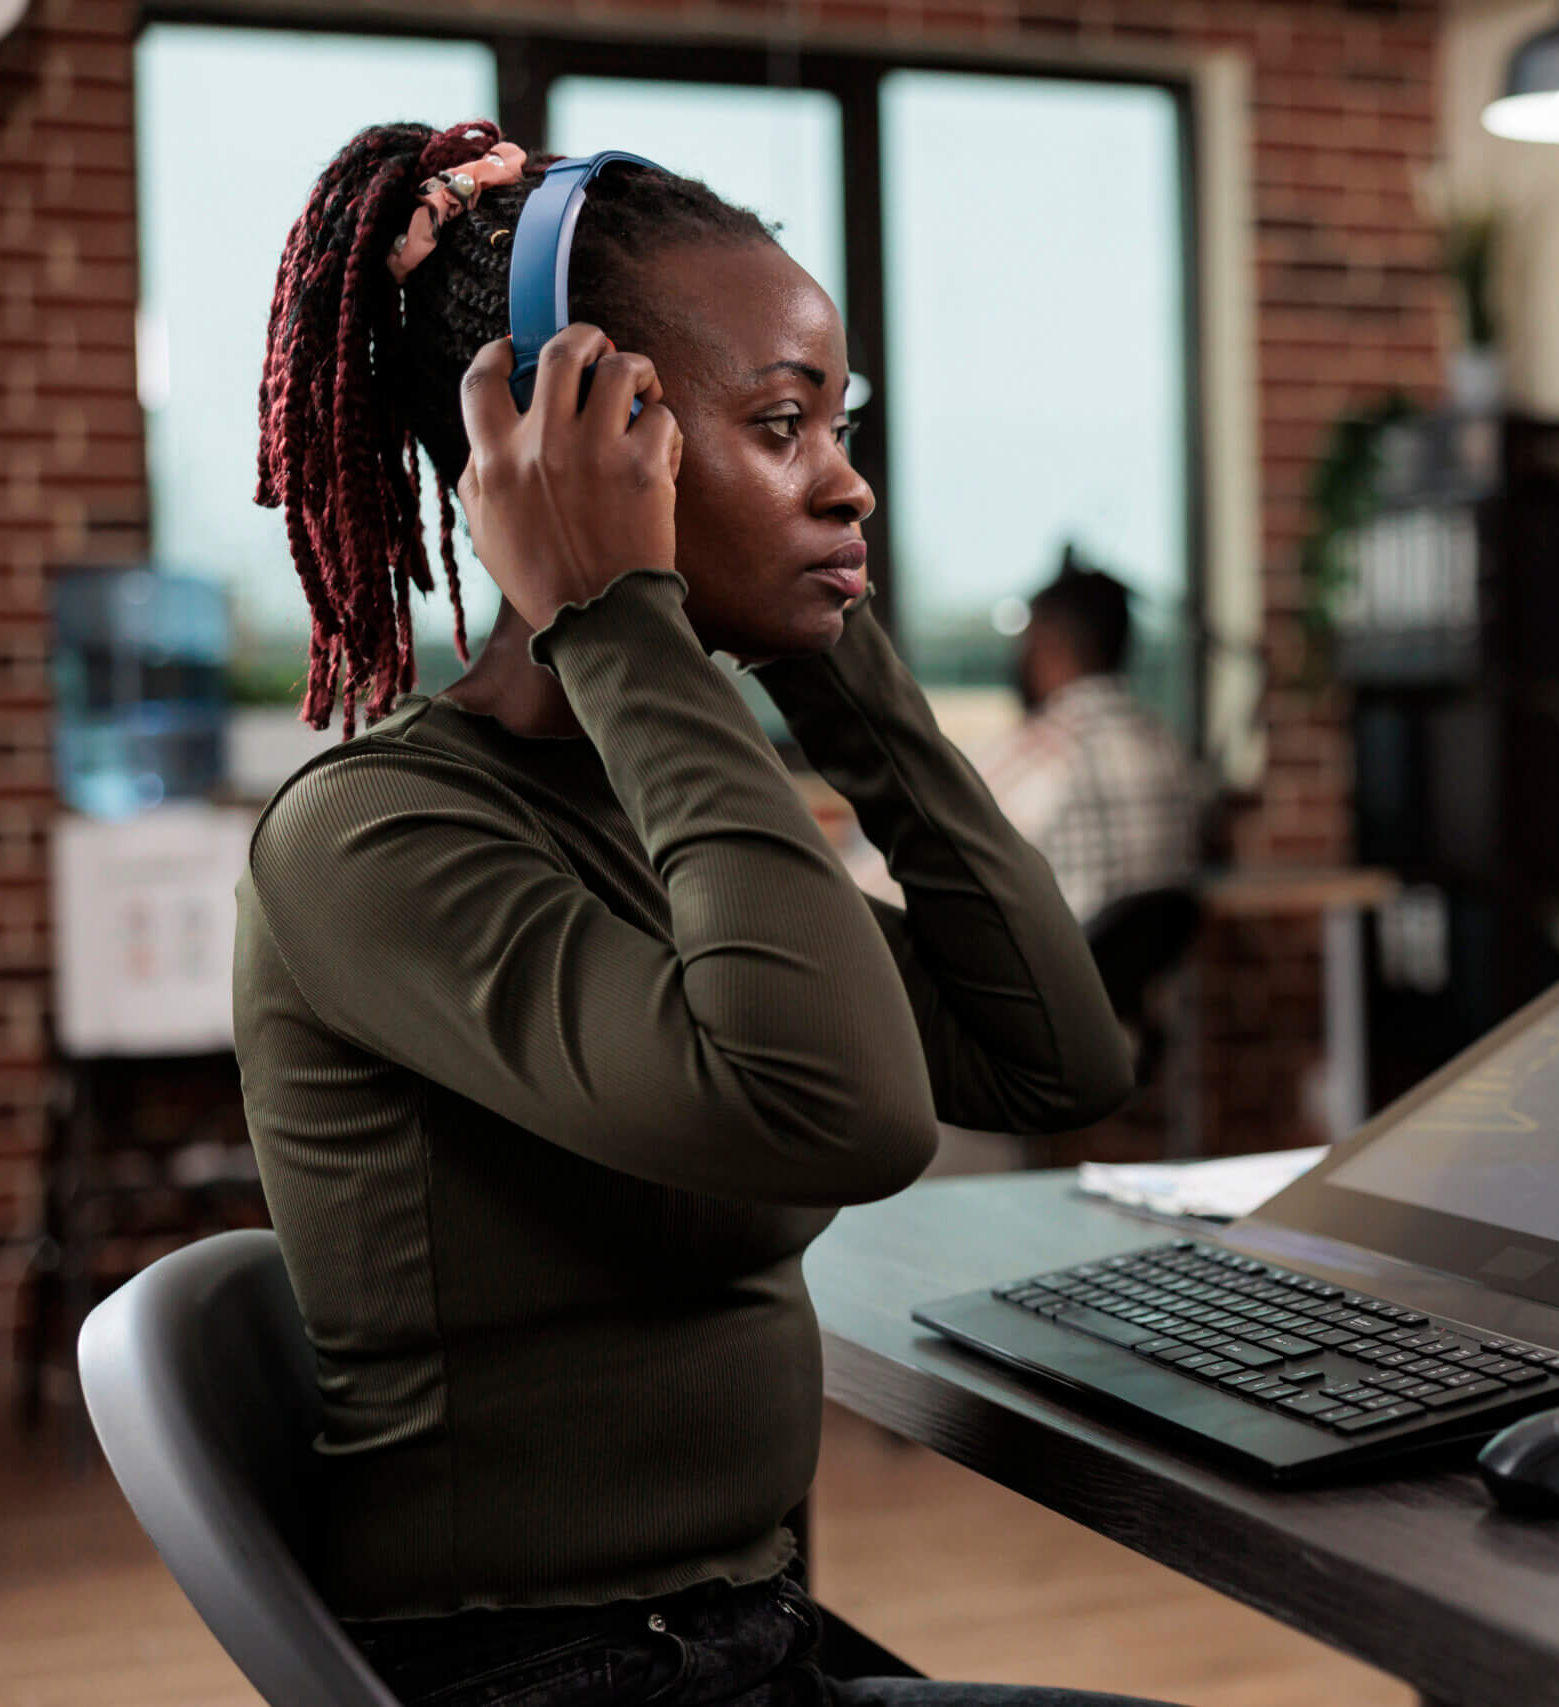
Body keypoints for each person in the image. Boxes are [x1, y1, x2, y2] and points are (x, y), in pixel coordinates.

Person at [237, 120, 1169, 1706]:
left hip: (746, 1642)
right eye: (785, 424)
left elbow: (1054, 1059)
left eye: (840, 423)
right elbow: (842, 1111)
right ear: (576, 453)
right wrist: (615, 610)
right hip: (550, 1674)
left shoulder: (652, 810)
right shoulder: (374, 836)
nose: (847, 478)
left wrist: (843, 669)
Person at [978, 553, 1198, 927]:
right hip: (1129, 980)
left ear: (1049, 642)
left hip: (1048, 979)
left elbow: (877, 884)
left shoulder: (1047, 750)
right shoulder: (1165, 745)